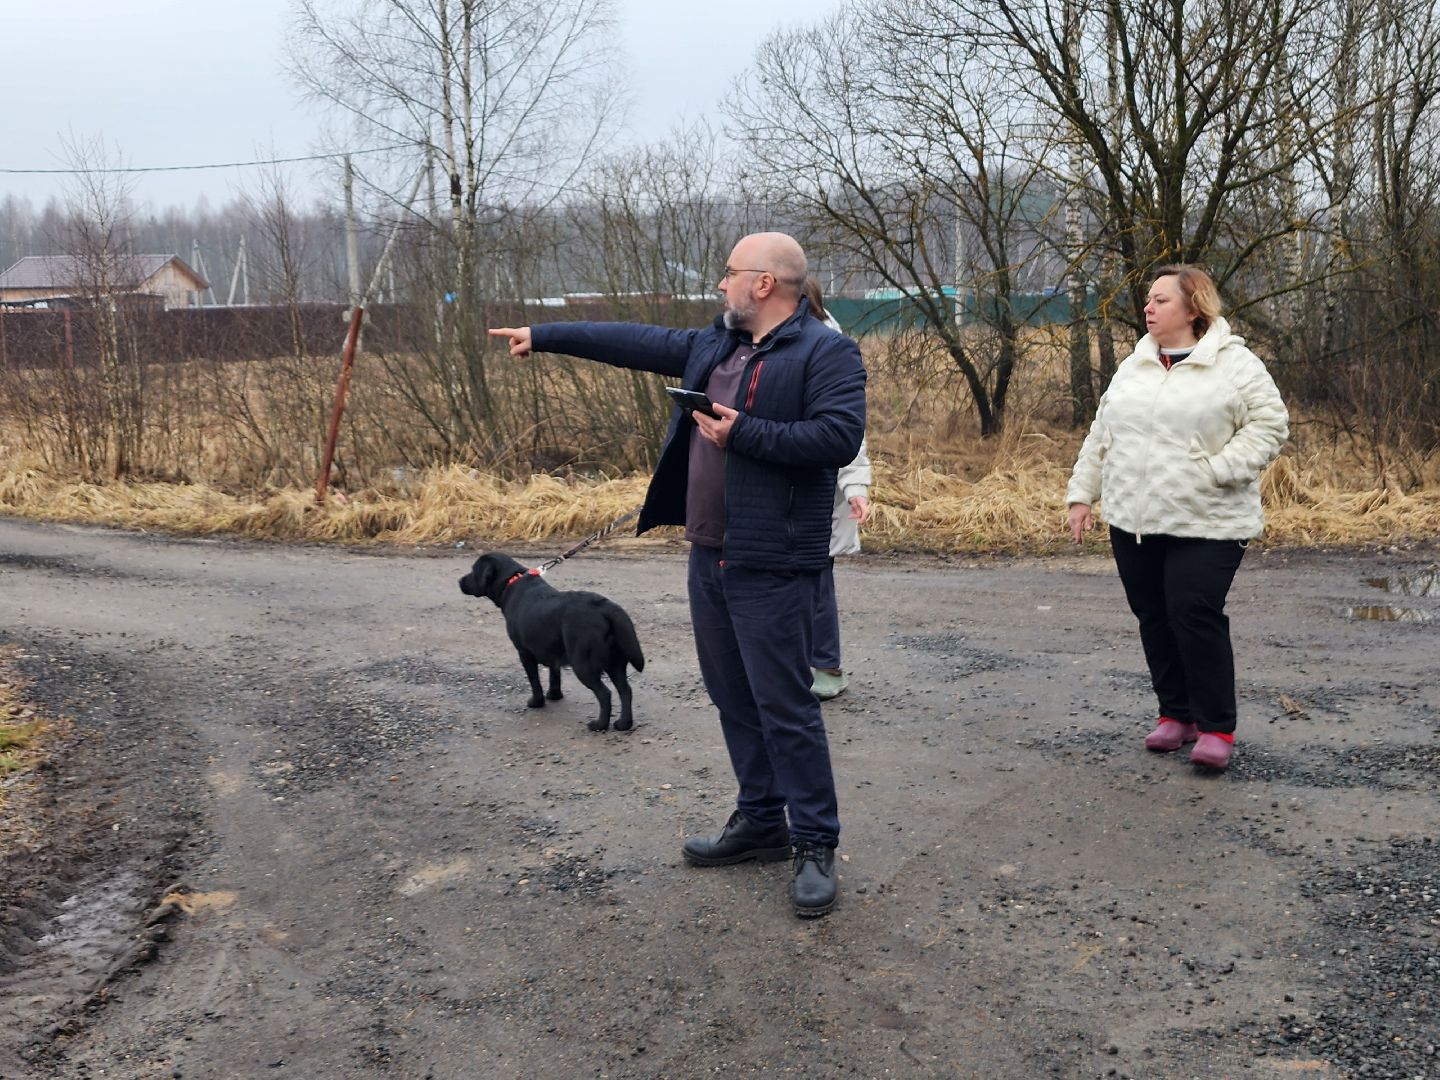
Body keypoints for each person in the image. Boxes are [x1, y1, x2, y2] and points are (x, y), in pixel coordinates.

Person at [490, 232, 866, 917]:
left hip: (776, 558)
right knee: (731, 696)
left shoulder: (827, 351)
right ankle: (761, 822)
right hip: (709, 552)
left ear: (763, 284)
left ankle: (814, 840)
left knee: (786, 705)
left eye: (730, 275)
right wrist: (544, 335)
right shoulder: (716, 342)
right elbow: (634, 340)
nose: (720, 285)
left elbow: (838, 438)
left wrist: (743, 432)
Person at [1066, 265, 1288, 771]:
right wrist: (1083, 495)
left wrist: (1220, 469)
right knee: (1155, 616)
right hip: (1135, 519)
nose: (1148, 307)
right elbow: (1102, 435)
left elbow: (1271, 423)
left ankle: (1216, 727)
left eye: (1161, 300)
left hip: (1209, 520)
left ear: (1193, 309)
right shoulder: (1135, 365)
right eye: (1148, 300)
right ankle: (1176, 715)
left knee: (1193, 611)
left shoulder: (1233, 364)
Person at [801, 276, 872, 701]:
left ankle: (825, 666)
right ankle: (795, 665)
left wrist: (856, 487)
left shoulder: (830, 350)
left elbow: (851, 432)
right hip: (780, 490)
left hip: (819, 490)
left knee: (815, 582)